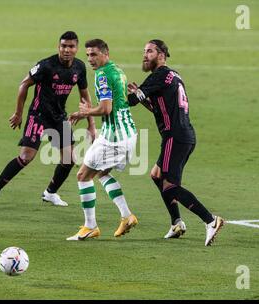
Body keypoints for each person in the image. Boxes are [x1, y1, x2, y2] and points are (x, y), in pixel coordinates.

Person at [0, 31, 96, 209]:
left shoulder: (79, 68)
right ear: (58, 47)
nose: (67, 50)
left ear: (76, 48)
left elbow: (85, 96)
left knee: (68, 160)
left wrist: (91, 125)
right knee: (26, 157)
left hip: (59, 117)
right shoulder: (46, 65)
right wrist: (18, 113)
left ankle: (50, 193)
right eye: (63, 46)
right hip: (38, 115)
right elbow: (24, 84)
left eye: (71, 46)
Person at [127, 39, 224, 246]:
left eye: (150, 51)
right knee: (156, 175)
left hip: (175, 136)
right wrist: (142, 97)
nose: (145, 55)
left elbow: (131, 101)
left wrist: (114, 99)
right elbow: (159, 108)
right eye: (144, 51)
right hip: (182, 134)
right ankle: (176, 223)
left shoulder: (159, 75)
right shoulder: (174, 75)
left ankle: (210, 220)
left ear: (161, 54)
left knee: (170, 186)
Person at [66, 39, 138, 241]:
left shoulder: (102, 75)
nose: (90, 59)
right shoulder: (118, 70)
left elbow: (106, 108)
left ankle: (90, 226)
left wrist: (85, 112)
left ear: (105, 54)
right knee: (102, 173)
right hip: (128, 133)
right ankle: (126, 215)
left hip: (114, 138)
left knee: (83, 176)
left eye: (94, 54)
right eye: (88, 55)